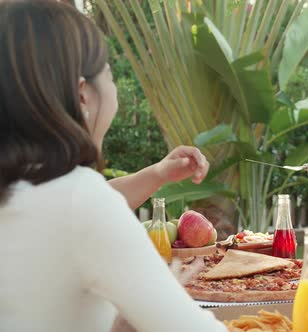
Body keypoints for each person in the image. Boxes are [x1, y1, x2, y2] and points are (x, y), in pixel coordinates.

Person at [0, 2, 226, 331]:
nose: (113, 88)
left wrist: (157, 175)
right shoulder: (79, 199)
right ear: (82, 95)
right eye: (108, 74)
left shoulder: (29, 189)